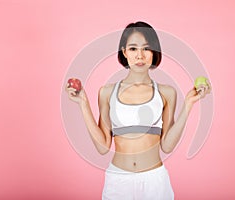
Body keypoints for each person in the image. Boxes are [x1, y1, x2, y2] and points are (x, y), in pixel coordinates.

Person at [65, 21, 211, 200]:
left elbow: (167, 145)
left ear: (154, 52)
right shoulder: (107, 92)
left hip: (155, 181)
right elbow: (102, 147)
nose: (140, 55)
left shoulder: (166, 93)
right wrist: (83, 103)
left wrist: (188, 104)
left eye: (146, 49)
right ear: (124, 52)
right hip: (118, 181)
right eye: (133, 49)